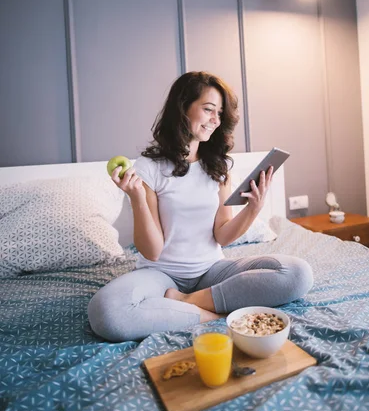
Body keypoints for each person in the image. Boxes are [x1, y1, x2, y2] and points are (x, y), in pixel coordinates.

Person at [88, 71, 313, 342]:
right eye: (208, 110)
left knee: (298, 274)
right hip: (160, 275)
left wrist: (253, 208)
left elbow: (222, 235)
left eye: (219, 113)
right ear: (183, 108)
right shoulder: (149, 168)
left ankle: (187, 300)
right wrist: (137, 198)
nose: (215, 120)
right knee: (107, 313)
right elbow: (153, 251)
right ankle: (215, 316)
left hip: (212, 271)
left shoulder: (218, 166)